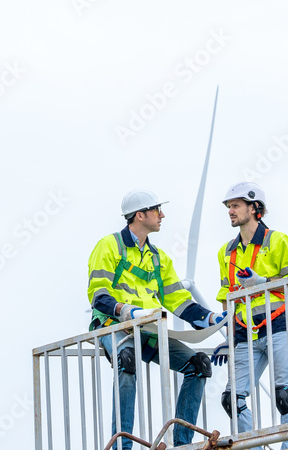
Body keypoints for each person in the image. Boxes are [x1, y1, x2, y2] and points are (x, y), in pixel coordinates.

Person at [87, 189, 224, 449]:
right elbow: (99, 296)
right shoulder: (109, 246)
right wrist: (129, 312)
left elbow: (178, 301)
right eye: (157, 210)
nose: (162, 215)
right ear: (140, 215)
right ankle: (122, 445)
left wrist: (210, 317)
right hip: (112, 326)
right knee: (126, 359)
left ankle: (182, 443)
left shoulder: (159, 258)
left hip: (149, 330)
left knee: (199, 364)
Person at [211, 182, 288, 449]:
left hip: (279, 325)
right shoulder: (225, 252)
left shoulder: (277, 240)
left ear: (254, 208)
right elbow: (226, 298)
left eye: (236, 205)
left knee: (284, 395)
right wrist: (229, 338)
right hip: (243, 333)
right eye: (229, 206)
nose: (231, 211)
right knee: (231, 397)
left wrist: (261, 281)